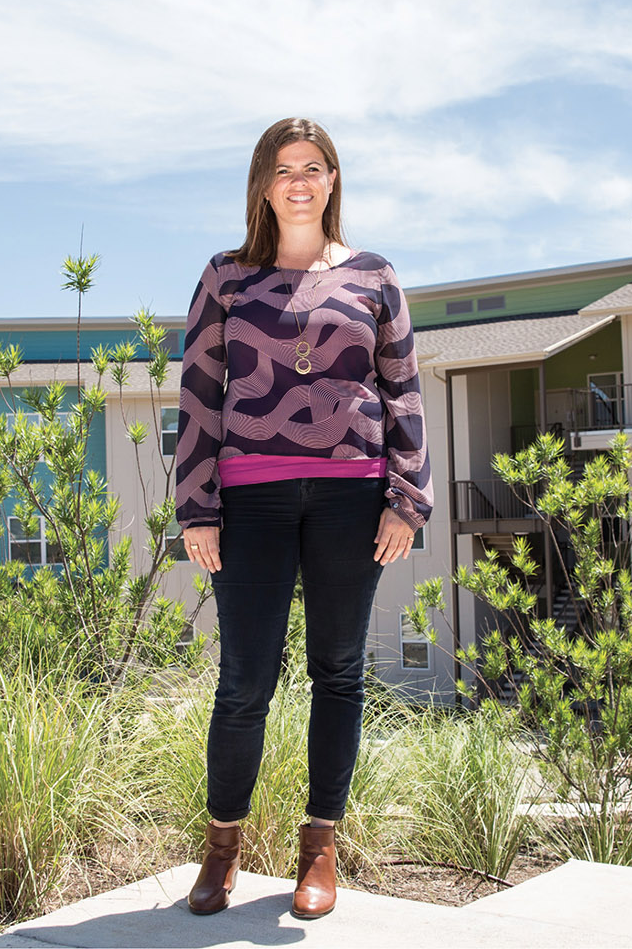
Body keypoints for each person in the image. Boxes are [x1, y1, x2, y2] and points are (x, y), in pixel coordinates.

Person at [174, 117, 431, 919]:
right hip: (250, 498)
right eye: (284, 167)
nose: (299, 180)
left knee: (339, 673)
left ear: (331, 180)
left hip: (353, 496)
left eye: (313, 167)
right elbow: (198, 396)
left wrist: (407, 497)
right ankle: (221, 851)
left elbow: (403, 390)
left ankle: (318, 852)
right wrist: (198, 506)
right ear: (262, 182)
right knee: (244, 678)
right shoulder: (226, 276)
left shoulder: (376, 275)